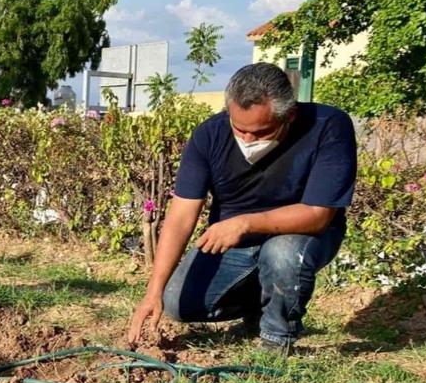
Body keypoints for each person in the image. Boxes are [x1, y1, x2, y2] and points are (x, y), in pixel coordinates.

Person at [126, 63, 357, 354]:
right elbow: (181, 214)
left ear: (290, 117)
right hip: (236, 241)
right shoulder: (209, 136)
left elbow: (317, 215)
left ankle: (277, 339)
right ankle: (261, 305)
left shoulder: (328, 126)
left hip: (303, 235)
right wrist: (154, 289)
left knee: (283, 252)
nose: (247, 140)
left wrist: (245, 223)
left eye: (261, 133)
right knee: (177, 303)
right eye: (239, 129)